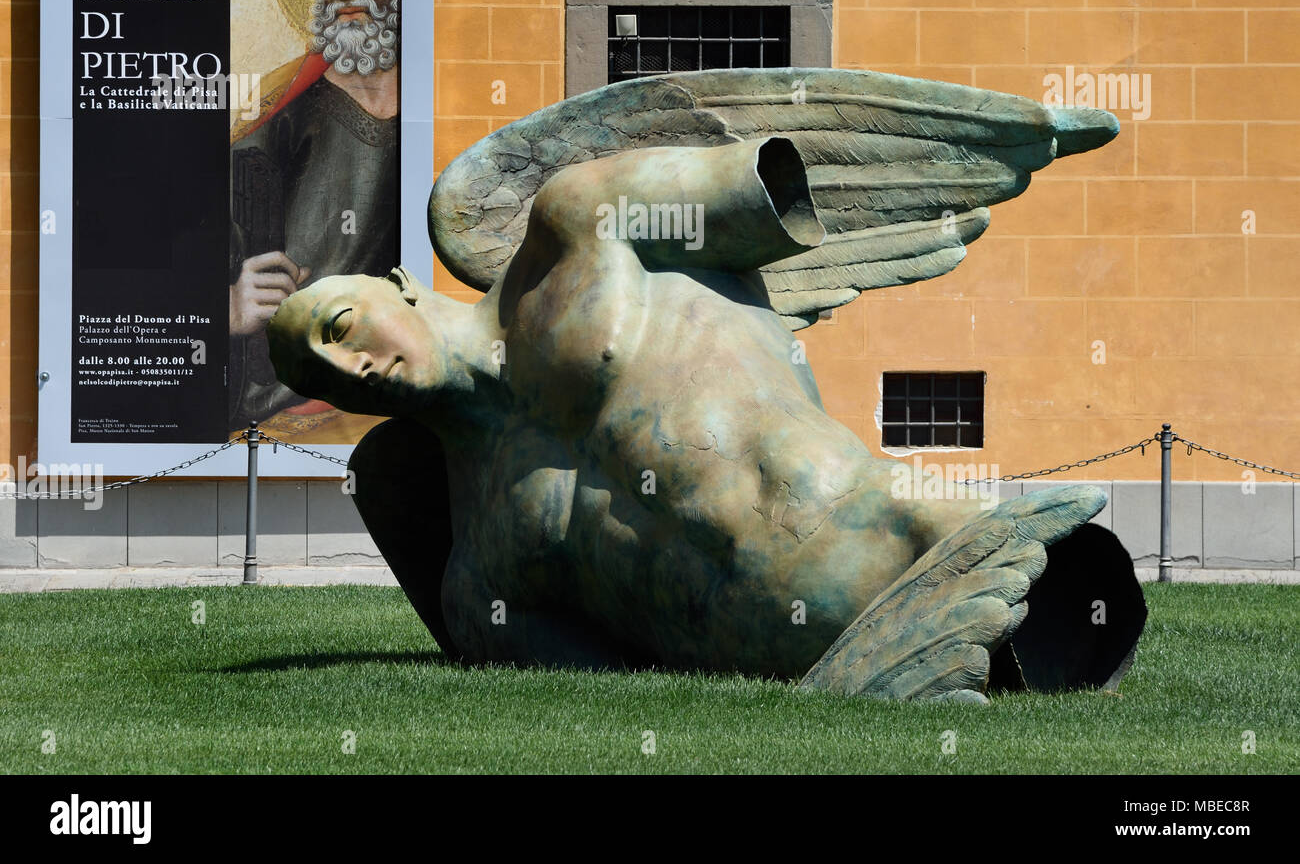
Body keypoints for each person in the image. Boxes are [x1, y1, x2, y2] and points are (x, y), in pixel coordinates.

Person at [266, 138, 1146, 695]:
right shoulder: (477, 577)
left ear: (398, 288)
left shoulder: (581, 227)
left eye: (340, 327)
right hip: (839, 674)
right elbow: (608, 694)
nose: (354, 365)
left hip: (933, 533)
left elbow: (778, 190)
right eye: (328, 377)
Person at [229, 0, 401, 428]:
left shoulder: (446, 95)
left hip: (402, 393)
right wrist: (229, 302)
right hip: (294, 410)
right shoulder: (278, 119)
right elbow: (181, 246)